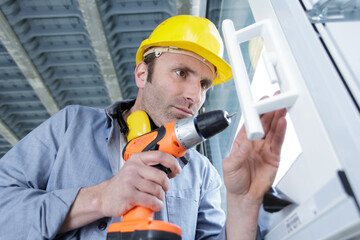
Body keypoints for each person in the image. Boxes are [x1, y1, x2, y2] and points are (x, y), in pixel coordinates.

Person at [0, 15, 286, 239]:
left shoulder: (203, 176)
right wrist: (101, 197)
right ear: (142, 73)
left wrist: (243, 203)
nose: (194, 95)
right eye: (181, 72)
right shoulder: (71, 126)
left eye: (203, 84)